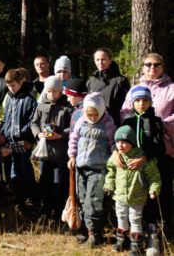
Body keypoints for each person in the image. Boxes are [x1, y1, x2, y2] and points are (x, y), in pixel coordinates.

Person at [120, 53, 174, 254]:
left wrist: (160, 125)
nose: (152, 67)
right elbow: (125, 113)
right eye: (148, 64)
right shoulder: (134, 89)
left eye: (157, 64)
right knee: (137, 193)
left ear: (163, 66)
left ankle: (157, 235)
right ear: (142, 67)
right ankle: (136, 235)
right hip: (134, 152)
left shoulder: (171, 89)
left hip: (164, 149)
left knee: (160, 193)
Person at [119, 86, 165, 255]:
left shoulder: (155, 121)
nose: (141, 103)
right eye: (137, 100)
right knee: (134, 205)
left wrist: (144, 158)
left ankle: (153, 238)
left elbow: (159, 146)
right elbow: (120, 142)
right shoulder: (127, 121)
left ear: (150, 102)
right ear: (132, 103)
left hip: (148, 168)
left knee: (152, 203)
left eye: (145, 100)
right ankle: (135, 241)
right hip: (131, 172)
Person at [67, 92, 117, 247]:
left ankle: (94, 233)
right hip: (81, 168)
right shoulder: (81, 121)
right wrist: (72, 156)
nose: (93, 117)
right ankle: (85, 230)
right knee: (82, 198)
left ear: (101, 111)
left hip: (99, 169)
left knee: (94, 200)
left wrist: (116, 154)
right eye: (90, 114)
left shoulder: (108, 123)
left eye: (96, 114)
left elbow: (113, 143)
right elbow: (73, 140)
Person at [104, 125, 161, 255]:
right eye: (118, 142)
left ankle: (137, 245)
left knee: (135, 219)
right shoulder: (115, 158)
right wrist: (108, 185)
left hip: (137, 197)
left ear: (132, 143)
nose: (120, 145)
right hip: (120, 196)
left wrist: (154, 190)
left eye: (124, 142)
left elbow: (154, 176)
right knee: (121, 217)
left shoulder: (141, 159)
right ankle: (121, 241)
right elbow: (111, 173)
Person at [31, 76, 73, 219]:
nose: (52, 94)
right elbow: (34, 123)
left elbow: (73, 128)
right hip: (44, 153)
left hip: (60, 154)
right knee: (45, 183)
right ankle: (46, 210)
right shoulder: (41, 106)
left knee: (59, 184)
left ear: (61, 91)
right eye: (49, 91)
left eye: (55, 92)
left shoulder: (67, 108)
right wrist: (38, 135)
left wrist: (60, 135)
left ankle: (59, 211)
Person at [1, 68, 38, 208]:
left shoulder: (29, 99)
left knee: (26, 169)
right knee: (13, 170)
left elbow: (32, 120)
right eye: (9, 86)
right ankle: (19, 199)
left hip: (24, 141)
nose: (11, 88)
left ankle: (33, 198)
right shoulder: (9, 98)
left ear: (21, 83)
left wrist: (22, 133)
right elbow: (5, 117)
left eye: (14, 85)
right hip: (10, 141)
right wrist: (3, 131)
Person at [86, 47, 130, 126]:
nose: (100, 62)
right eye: (97, 60)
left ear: (110, 60)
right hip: (94, 124)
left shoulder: (120, 81)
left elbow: (126, 106)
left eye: (103, 59)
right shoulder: (91, 82)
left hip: (113, 124)